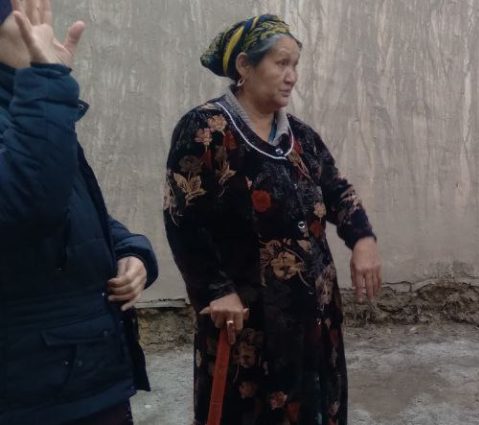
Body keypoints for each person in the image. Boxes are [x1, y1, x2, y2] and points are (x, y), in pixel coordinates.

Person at [164, 14, 382, 424]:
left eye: (295, 65)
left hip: (314, 318)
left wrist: (363, 239)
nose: (291, 76)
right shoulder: (206, 130)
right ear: (245, 66)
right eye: (281, 63)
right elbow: (183, 219)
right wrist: (216, 291)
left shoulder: (301, 137)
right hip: (248, 320)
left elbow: (337, 190)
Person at [0, 1, 159, 424]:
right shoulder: (39, 104)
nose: (42, 26)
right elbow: (29, 207)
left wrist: (132, 250)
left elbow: (78, 210)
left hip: (88, 375)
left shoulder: (31, 108)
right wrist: (46, 80)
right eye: (21, 15)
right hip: (35, 394)